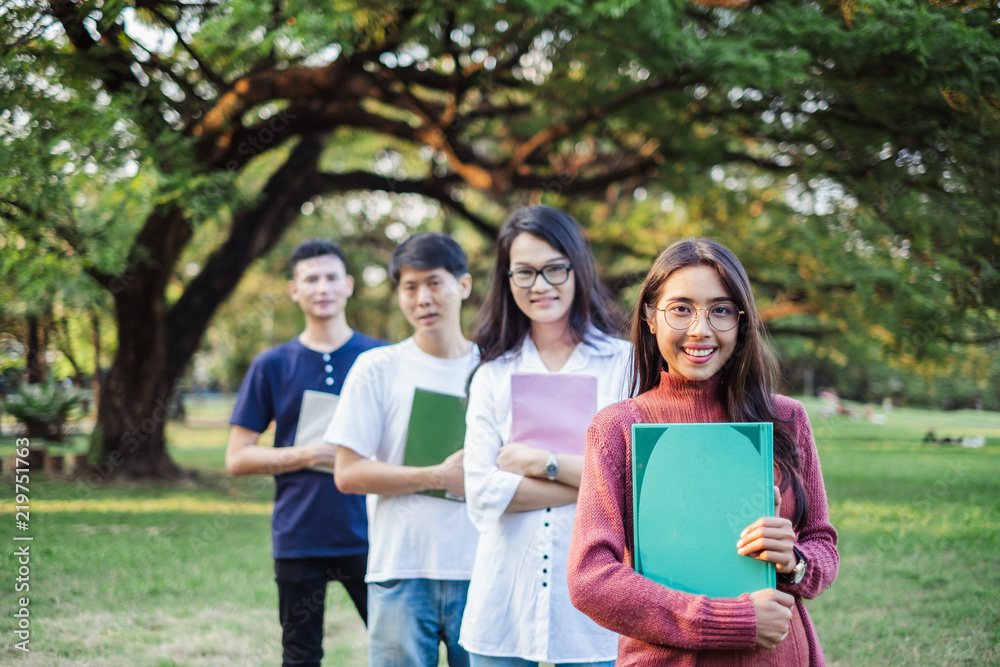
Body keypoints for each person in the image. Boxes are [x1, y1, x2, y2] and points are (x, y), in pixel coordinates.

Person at [568, 238, 839, 666]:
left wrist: (794, 561)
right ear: (650, 317)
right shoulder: (617, 429)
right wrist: (731, 619)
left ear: (742, 320)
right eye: (681, 308)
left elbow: (821, 542)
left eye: (721, 309)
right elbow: (590, 578)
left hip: (779, 656)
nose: (701, 328)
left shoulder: (787, 419)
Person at [460, 206, 630, 667]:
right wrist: (591, 482)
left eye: (554, 268)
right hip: (504, 605)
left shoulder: (624, 364)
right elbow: (480, 489)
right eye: (524, 272)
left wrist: (539, 461)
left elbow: (633, 482)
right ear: (506, 279)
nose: (540, 285)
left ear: (578, 268)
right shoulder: (493, 375)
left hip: (598, 609)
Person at [226, 239, 385, 667]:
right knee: (300, 655)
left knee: (396, 651)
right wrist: (309, 453)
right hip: (300, 536)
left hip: (374, 534)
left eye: (331, 277)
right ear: (293, 290)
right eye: (310, 279)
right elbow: (237, 457)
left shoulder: (380, 359)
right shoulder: (272, 364)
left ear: (349, 285)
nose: (322, 287)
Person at [327, 232, 481, 667]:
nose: (422, 299)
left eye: (435, 283)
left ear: (463, 286)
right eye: (409, 288)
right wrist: (437, 477)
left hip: (483, 570)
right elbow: (348, 473)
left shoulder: (495, 368)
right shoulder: (377, 369)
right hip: (401, 570)